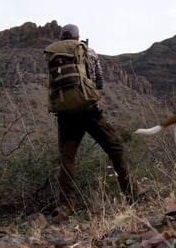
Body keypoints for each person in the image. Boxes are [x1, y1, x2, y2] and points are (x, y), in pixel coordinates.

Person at [50, 24, 147, 218]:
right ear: (78, 37)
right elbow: (99, 82)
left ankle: (65, 206)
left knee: (67, 159)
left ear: (62, 37)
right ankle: (132, 193)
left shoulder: (54, 56)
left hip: (66, 115)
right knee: (115, 148)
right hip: (89, 112)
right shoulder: (89, 52)